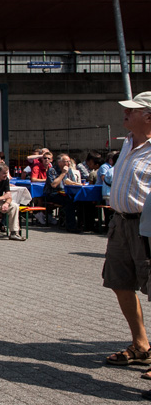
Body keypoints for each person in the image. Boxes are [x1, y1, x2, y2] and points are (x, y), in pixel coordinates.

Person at [102, 92, 151, 371]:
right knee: (119, 282)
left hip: (146, 227)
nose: (125, 113)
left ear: (148, 117)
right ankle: (141, 345)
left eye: (132, 110)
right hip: (120, 223)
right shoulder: (129, 142)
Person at [45, 152, 84, 233]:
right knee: (69, 202)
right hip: (53, 193)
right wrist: (63, 173)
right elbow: (53, 185)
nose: (68, 163)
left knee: (80, 200)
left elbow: (72, 182)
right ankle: (71, 227)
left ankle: (82, 224)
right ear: (60, 162)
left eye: (69, 161)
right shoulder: (52, 170)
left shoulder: (69, 170)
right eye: (66, 161)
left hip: (66, 192)